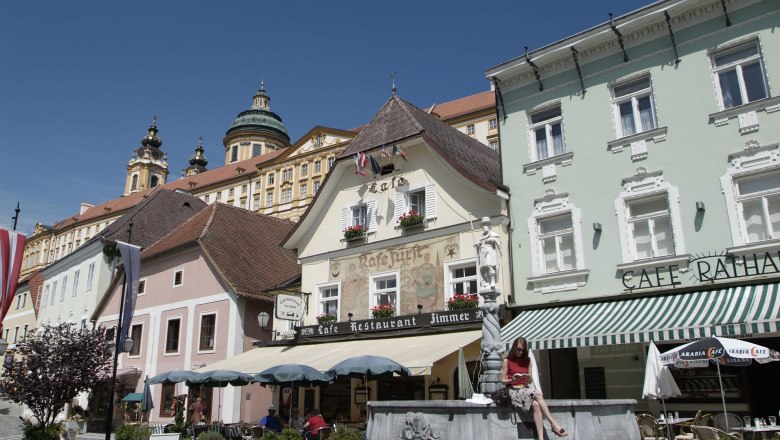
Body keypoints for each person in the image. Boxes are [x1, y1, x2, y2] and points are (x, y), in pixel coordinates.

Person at [501, 336, 567, 440]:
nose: (520, 352)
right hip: (513, 391)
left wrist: (528, 378)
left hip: (525, 389)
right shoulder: (507, 361)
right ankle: (553, 424)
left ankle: (540, 438)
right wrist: (512, 380)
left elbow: (530, 380)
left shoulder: (528, 361)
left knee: (536, 405)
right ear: (514, 348)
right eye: (518, 349)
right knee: (538, 394)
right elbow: (502, 380)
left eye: (522, 350)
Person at [475, 217, 501, 290]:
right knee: (484, 267)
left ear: (489, 226)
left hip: (489, 251)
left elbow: (498, 242)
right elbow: (480, 243)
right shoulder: (482, 236)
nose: (483, 227)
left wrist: (492, 240)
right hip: (483, 252)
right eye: (483, 225)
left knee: (489, 265)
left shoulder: (493, 234)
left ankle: (492, 281)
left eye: (485, 225)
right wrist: (477, 245)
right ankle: (487, 281)